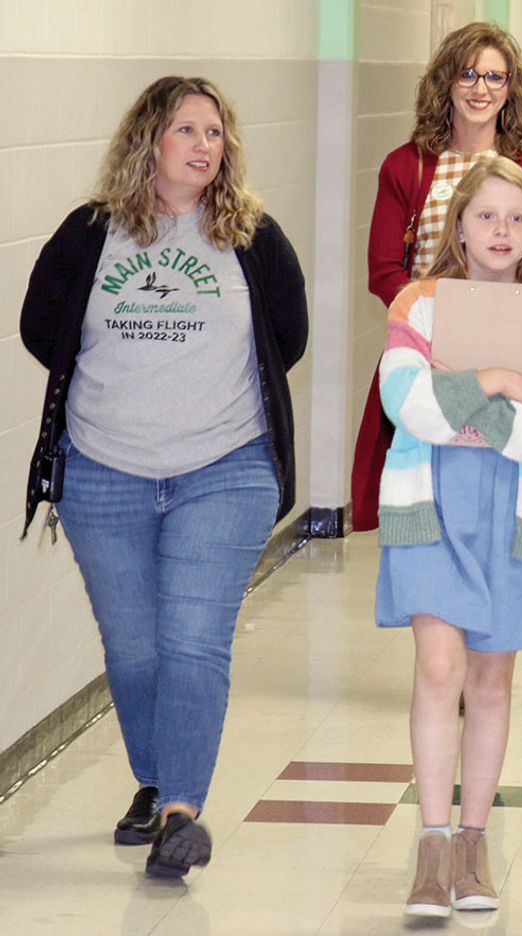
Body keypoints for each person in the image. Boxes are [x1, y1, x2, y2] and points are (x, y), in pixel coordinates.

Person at [19, 76, 308, 878]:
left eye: (215, 133)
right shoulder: (89, 235)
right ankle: (153, 780)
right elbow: (44, 330)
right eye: (187, 130)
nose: (205, 147)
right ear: (148, 140)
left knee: (192, 642)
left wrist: (197, 402)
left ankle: (180, 807)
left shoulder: (253, 237)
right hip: (103, 472)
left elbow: (288, 336)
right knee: (136, 648)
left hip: (225, 467)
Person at [375, 158, 522, 917]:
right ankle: (432, 846)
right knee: (439, 669)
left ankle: (474, 843)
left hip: (512, 512)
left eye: (517, 219)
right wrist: (500, 382)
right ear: (458, 228)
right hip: (430, 505)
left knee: (491, 681)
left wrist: (464, 403)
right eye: (486, 217)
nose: (501, 231)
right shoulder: (420, 303)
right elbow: (407, 403)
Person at [353, 21, 522, 530]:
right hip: (427, 352)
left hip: (508, 351)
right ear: (446, 80)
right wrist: (436, 328)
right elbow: (384, 272)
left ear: (511, 89)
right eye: (468, 74)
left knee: (498, 500)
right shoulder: (408, 167)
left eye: (495, 77)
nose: (481, 89)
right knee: (425, 498)